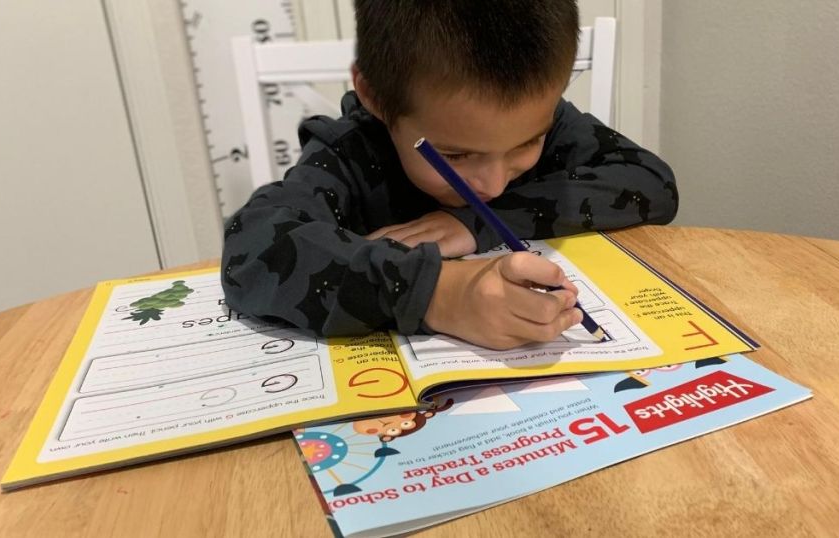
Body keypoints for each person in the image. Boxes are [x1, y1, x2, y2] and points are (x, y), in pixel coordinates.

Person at [221, 0, 677, 350]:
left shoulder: (548, 120)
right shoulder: (350, 152)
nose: (493, 183)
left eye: (526, 144)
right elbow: (255, 247)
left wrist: (476, 222)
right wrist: (439, 295)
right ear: (375, 96)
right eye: (455, 156)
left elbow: (651, 182)